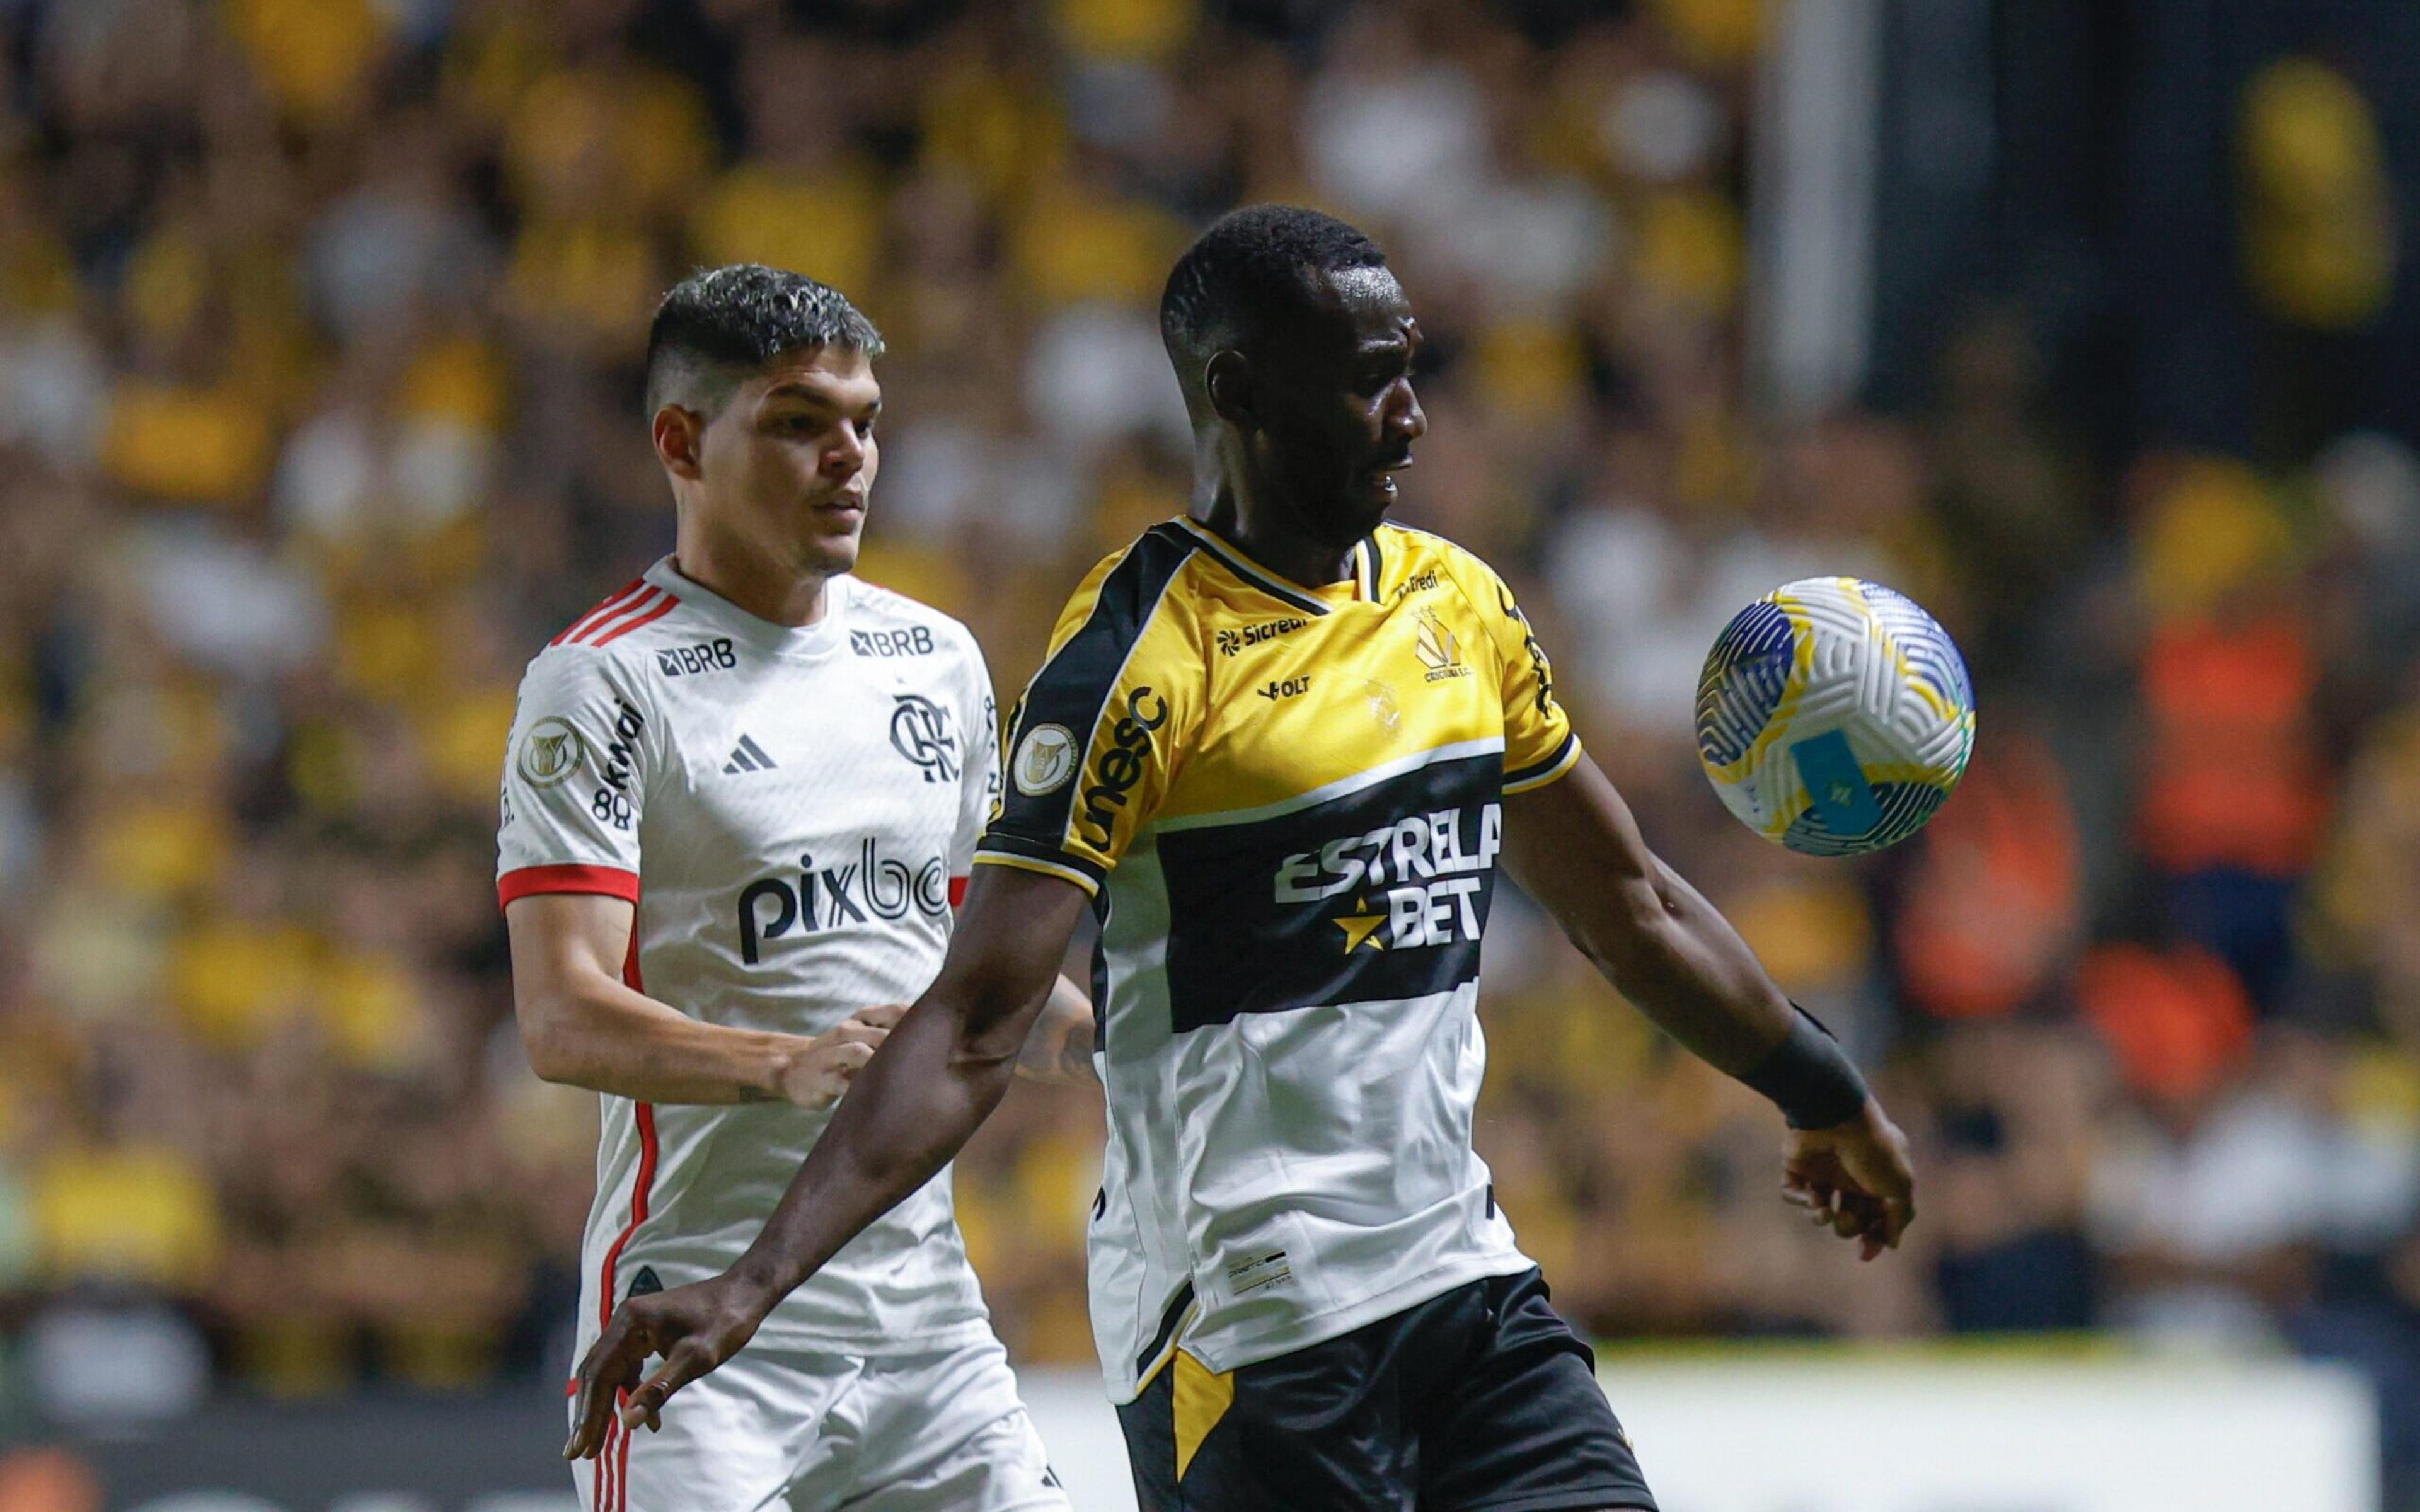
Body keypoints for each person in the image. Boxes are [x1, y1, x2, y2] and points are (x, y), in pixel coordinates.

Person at [566, 211, 1917, 1510]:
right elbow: (977, 1021)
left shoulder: (1458, 606)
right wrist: (752, 1283)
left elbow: (1629, 907)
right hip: (1248, 1327)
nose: (1413, 415)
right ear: (1241, 389)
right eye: (1373, 382)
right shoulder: (1134, 661)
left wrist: (1818, 1086)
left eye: (1413, 376)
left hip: (1465, 1287)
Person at [501, 264, 1089, 1512]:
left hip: (926, 1324)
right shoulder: (602, 682)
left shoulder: (934, 659)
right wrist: (785, 1061)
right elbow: (561, 1016)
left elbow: (971, 968)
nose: (850, 458)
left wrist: (1131, 1031)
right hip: (695, 1331)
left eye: (865, 422)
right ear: (680, 441)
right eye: (798, 423)